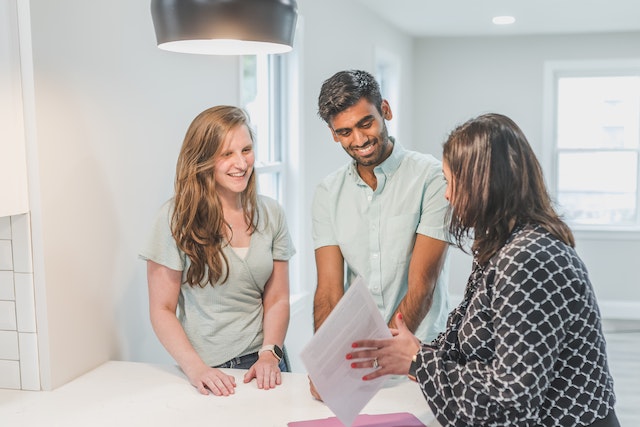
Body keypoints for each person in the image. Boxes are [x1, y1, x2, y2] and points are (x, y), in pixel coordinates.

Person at [347, 113, 619, 426]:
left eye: (451, 183)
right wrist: (412, 353)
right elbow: (483, 346)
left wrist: (417, 359)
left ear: (484, 184)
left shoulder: (528, 258)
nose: (447, 195)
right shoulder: (500, 245)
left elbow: (512, 397)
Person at [310, 70, 451, 398]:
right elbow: (329, 292)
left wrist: (384, 358)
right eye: (344, 132)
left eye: (365, 123)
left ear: (385, 110)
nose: (358, 140)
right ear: (333, 134)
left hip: (421, 355)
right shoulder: (327, 193)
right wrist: (326, 362)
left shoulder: (430, 178)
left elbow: (423, 285)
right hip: (357, 359)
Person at [140, 106, 295, 397]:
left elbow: (277, 298)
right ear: (203, 159)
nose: (241, 163)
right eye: (227, 154)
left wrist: (269, 355)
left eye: (246, 150)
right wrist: (196, 369)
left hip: (266, 365)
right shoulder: (174, 218)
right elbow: (161, 310)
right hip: (208, 372)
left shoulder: (271, 213)